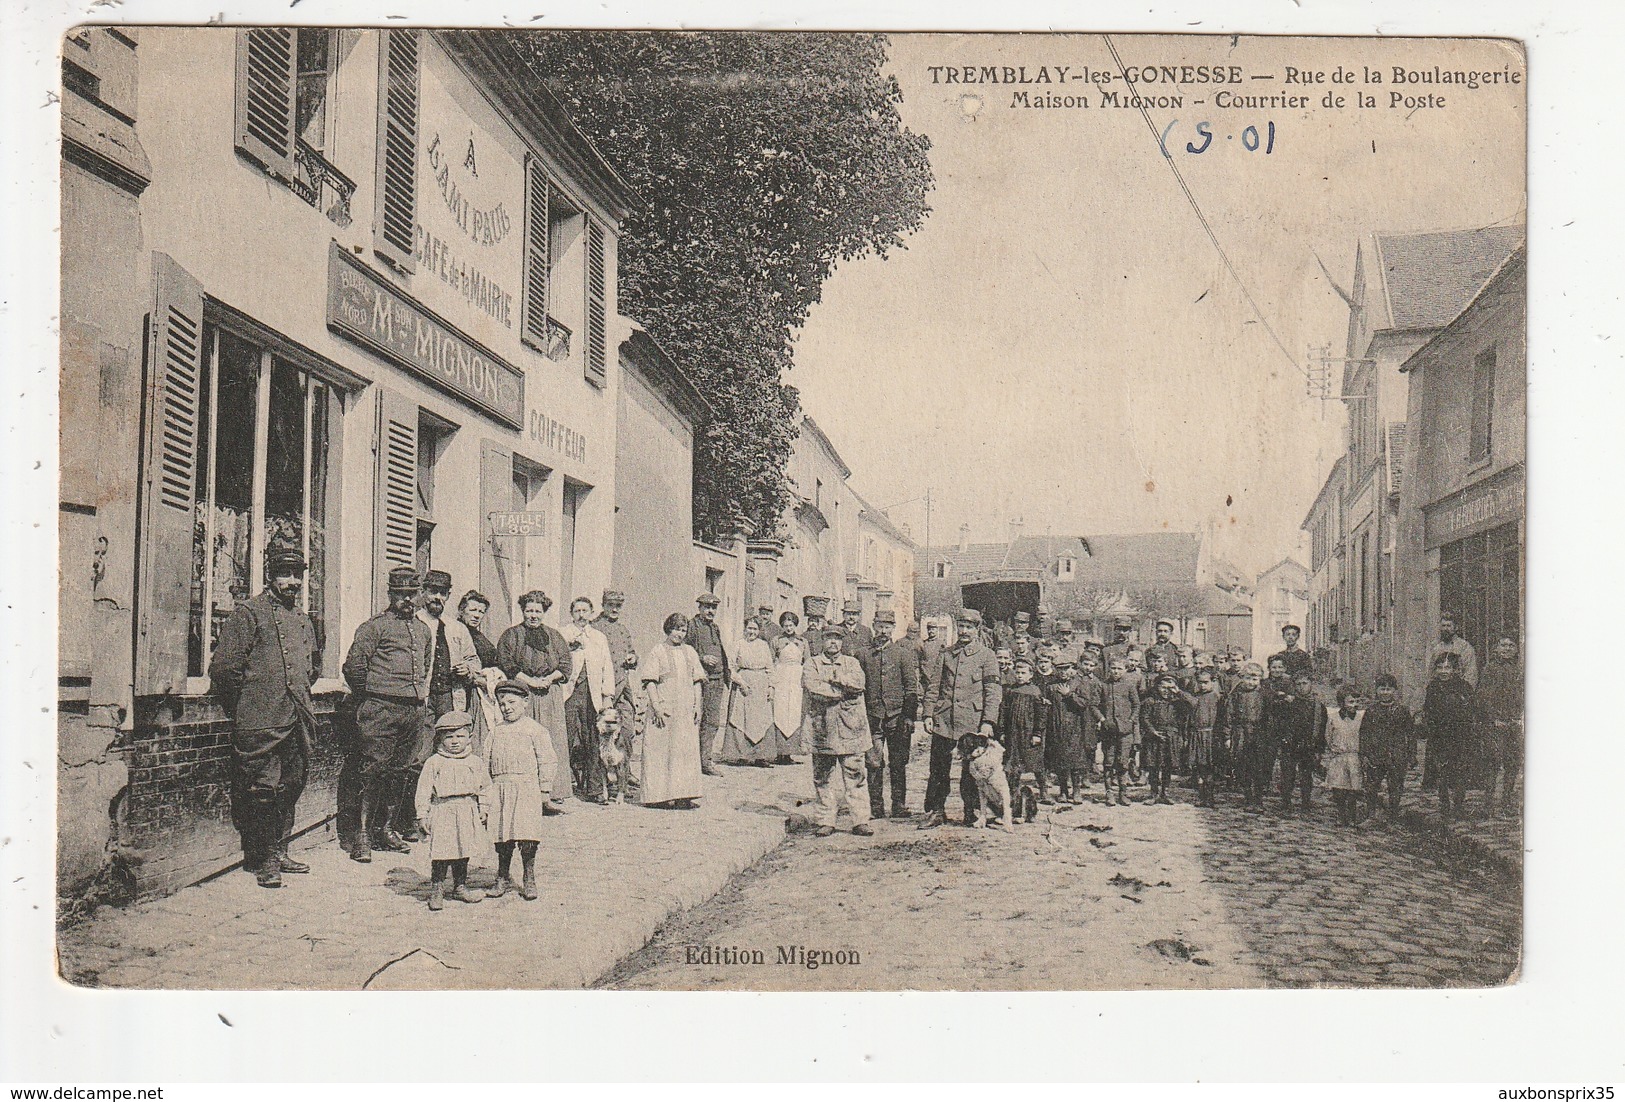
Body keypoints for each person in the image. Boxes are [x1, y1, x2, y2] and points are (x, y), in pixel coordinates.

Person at [208, 546, 320, 888]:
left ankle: (281, 849)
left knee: (292, 784)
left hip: (296, 717)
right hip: (260, 720)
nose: (292, 582)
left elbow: (311, 667)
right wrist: (247, 706)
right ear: (270, 576)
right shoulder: (249, 613)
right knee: (262, 790)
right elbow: (224, 670)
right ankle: (265, 859)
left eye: (297, 575)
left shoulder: (302, 619)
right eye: (285, 574)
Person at [341, 567, 432, 863]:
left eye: (412, 595)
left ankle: (386, 829)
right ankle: (362, 836)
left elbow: (425, 665)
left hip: (413, 710)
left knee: (401, 771)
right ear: (391, 595)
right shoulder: (374, 627)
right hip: (380, 708)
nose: (407, 600)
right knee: (372, 771)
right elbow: (353, 668)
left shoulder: (423, 630)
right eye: (401, 594)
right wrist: (373, 696)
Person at [402, 569, 486, 840]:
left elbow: (476, 663)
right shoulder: (413, 623)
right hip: (423, 701)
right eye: (432, 591)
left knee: (456, 758)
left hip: (451, 699)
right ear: (423, 593)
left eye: (443, 593)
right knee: (419, 759)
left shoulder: (457, 628)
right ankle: (412, 820)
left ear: (449, 596)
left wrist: (468, 671)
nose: (437, 597)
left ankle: (454, 818)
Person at [919, 609, 1002, 830]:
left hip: (972, 725)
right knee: (938, 769)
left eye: (969, 627)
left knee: (971, 772)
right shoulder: (946, 654)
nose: (964, 631)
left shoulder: (987, 656)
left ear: (977, 630)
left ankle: (972, 811)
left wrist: (988, 722)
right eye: (961, 626)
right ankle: (936, 811)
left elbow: (993, 692)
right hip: (944, 721)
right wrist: (928, 714)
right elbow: (934, 686)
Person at [495, 591, 573, 806]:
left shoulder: (555, 636)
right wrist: (529, 681)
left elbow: (566, 664)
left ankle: (550, 792)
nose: (533, 615)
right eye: (529, 610)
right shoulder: (511, 635)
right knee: (524, 740)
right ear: (523, 611)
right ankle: (524, 793)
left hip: (550, 695)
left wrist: (549, 678)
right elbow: (506, 663)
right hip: (523, 694)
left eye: (538, 611)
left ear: (544, 612)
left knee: (550, 741)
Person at [803, 628, 878, 837]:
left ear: (842, 642)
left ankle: (861, 820)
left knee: (855, 775)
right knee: (822, 777)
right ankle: (825, 820)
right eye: (829, 638)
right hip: (823, 728)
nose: (833, 643)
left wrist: (836, 679)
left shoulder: (851, 663)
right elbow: (813, 687)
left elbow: (859, 684)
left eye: (837, 639)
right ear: (822, 641)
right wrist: (841, 690)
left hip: (851, 727)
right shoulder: (813, 663)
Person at [485, 680, 555, 901]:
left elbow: (547, 760)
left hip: (526, 789)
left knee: (527, 835)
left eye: (511, 702)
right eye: (502, 703)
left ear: (525, 702)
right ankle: (503, 876)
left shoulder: (535, 730)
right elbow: (485, 761)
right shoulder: (495, 731)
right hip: (500, 788)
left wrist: (545, 789)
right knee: (502, 835)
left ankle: (528, 876)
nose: (506, 707)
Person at [414, 711, 490, 910]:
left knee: (463, 849)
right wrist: (422, 814)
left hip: (466, 808)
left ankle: (460, 885)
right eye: (449, 737)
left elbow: (485, 787)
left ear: (469, 738)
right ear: (440, 739)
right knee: (441, 851)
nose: (455, 741)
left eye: (460, 736)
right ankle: (437, 888)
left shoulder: (475, 762)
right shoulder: (434, 762)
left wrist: (484, 807)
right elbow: (423, 790)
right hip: (443, 809)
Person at [639, 613, 706, 809]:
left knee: (684, 751)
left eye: (683, 630)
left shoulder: (690, 652)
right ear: (668, 629)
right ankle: (657, 796)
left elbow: (697, 682)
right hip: (664, 708)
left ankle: (683, 795)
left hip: (685, 709)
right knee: (660, 750)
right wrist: (657, 706)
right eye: (676, 629)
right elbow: (650, 681)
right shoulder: (658, 651)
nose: (679, 633)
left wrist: (697, 706)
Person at [863, 609, 920, 819]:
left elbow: (911, 688)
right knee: (873, 762)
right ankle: (876, 806)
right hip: (873, 717)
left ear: (893, 628)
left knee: (898, 762)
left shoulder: (903, 653)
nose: (883, 630)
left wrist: (908, 716)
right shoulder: (864, 654)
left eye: (887, 626)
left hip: (897, 717)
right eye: (880, 626)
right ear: (873, 626)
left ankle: (899, 804)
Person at [561, 596, 616, 799]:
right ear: (572, 613)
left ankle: (593, 789)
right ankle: (561, 788)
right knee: (565, 737)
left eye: (585, 610)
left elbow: (606, 667)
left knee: (593, 739)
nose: (581, 615)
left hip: (592, 695)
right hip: (569, 693)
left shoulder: (599, 637)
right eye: (577, 611)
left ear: (592, 613)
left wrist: (607, 695)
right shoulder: (563, 634)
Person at [1420, 652, 1482, 826]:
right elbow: (1428, 710)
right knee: (1442, 772)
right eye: (1439, 667)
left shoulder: (1464, 688)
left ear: (1455, 669)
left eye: (1447, 667)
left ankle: (1458, 804)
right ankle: (1444, 804)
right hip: (1439, 737)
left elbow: (1471, 712)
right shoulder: (1433, 688)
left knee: (1460, 771)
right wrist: (1428, 726)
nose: (1443, 671)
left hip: (1460, 736)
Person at [592, 590, 643, 762]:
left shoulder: (623, 629)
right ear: (603, 605)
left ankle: (625, 770)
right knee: (602, 732)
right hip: (602, 687)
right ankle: (600, 774)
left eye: (618, 606)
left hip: (623, 686)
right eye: (611, 605)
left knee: (627, 730)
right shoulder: (594, 628)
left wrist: (633, 658)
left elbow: (632, 652)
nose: (614, 610)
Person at [1048, 654, 1103, 804]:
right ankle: (1063, 791)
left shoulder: (1079, 683)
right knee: (1061, 762)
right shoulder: (1052, 686)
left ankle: (1077, 791)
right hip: (1057, 728)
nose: (1063, 672)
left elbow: (1084, 703)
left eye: (1066, 669)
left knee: (1076, 762)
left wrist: (1069, 695)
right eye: (1060, 670)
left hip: (1075, 728)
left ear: (1072, 668)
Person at [720, 617, 775, 767]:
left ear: (759, 631)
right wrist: (741, 683)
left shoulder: (764, 645)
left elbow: (770, 668)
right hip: (743, 685)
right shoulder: (738, 644)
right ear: (745, 629)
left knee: (761, 719)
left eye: (755, 629)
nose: (752, 632)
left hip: (761, 686)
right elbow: (730, 667)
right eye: (749, 628)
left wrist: (771, 687)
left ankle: (760, 756)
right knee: (740, 717)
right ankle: (741, 755)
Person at [1478, 635, 1523, 818]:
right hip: (1496, 724)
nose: (1507, 649)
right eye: (1503, 645)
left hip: (1514, 723)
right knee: (1493, 763)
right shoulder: (1490, 669)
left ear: (1516, 649)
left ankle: (1506, 801)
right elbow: (1483, 696)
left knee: (1512, 764)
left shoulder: (1520, 670)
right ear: (1496, 648)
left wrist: (1520, 717)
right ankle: (1488, 804)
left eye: (1511, 645)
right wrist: (1492, 718)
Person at [1362, 673, 1415, 823]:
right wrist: (1364, 754)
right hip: (1376, 754)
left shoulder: (1402, 711)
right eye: (1382, 689)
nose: (1385, 693)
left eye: (1389, 689)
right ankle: (1371, 815)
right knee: (1372, 786)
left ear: (1395, 691)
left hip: (1396, 755)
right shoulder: (1371, 711)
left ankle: (1392, 816)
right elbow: (1364, 734)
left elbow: (1410, 734)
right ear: (1377, 691)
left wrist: (1411, 754)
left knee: (1395, 786)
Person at [688, 593, 731, 777]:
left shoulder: (715, 627)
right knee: (694, 720)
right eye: (707, 607)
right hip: (699, 680)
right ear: (699, 608)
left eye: (713, 608)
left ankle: (705, 761)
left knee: (712, 722)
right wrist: (702, 657)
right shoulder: (691, 626)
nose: (710, 611)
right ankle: (691, 760)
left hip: (717, 680)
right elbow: (684, 650)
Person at [1271, 671, 1324, 817]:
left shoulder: (1318, 706)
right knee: (1287, 775)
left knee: (1306, 776)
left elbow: (1321, 729)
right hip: (1290, 744)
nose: (1302, 687)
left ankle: (1305, 805)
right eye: (1298, 684)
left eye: (1305, 683)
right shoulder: (1289, 703)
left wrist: (1318, 749)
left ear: (1311, 685)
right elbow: (1279, 722)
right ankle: (1286, 804)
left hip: (1308, 746)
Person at [1218, 662, 1268, 807]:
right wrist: (1227, 736)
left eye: (1255, 679)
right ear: (1242, 678)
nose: (1251, 682)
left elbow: (1268, 716)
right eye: (1248, 678)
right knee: (1242, 764)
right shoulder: (1236, 694)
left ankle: (1258, 799)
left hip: (1258, 732)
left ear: (1260, 680)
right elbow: (1228, 716)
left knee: (1258, 766)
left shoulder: (1263, 695)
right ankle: (1247, 796)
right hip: (1240, 732)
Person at [1001, 656, 1047, 806]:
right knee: (1012, 763)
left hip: (1029, 733)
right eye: (1018, 672)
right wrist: (1001, 731)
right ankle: (1012, 792)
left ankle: (1043, 789)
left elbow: (1040, 715)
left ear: (1031, 675)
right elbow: (1004, 712)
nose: (1020, 676)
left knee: (1035, 762)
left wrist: (1037, 733)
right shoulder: (1011, 690)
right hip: (1013, 733)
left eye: (1023, 673)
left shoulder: (1035, 691)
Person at [1098, 656, 1141, 806]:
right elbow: (1094, 705)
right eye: (1113, 668)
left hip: (1125, 731)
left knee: (1123, 763)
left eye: (1119, 669)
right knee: (1108, 762)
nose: (1116, 671)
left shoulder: (1129, 685)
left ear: (1125, 670)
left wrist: (1130, 721)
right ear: (1109, 669)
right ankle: (1109, 793)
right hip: (1109, 731)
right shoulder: (1103, 685)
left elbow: (1136, 705)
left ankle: (1123, 793)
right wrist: (1103, 720)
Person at [1323, 683, 1367, 827]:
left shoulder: (1361, 717)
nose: (1354, 705)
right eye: (1350, 701)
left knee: (1353, 789)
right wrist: (1334, 749)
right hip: (1339, 757)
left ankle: (1352, 816)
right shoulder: (1333, 717)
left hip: (1354, 757)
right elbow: (1328, 736)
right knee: (1339, 788)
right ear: (1342, 702)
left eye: (1356, 702)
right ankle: (1341, 815)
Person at [768, 611, 808, 762]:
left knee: (795, 712)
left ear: (795, 625)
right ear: (782, 626)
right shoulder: (776, 640)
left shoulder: (802, 642)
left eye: (791, 625)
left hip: (797, 678)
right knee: (780, 711)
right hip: (782, 677)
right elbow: (771, 661)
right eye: (785, 625)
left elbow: (807, 662)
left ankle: (790, 752)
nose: (788, 628)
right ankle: (779, 752)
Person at [1139, 673, 1184, 805]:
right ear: (1157, 687)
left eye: (1169, 687)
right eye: (1163, 687)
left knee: (1167, 766)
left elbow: (1190, 708)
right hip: (1154, 737)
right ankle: (1153, 793)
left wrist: (1178, 693)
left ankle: (1165, 792)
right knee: (1153, 766)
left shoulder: (1176, 702)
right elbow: (1144, 718)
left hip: (1170, 737)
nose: (1166, 690)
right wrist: (1153, 731)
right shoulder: (1150, 701)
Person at [1182, 666, 1223, 807]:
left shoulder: (1216, 697)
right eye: (1200, 682)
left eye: (1206, 682)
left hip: (1210, 735)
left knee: (1209, 767)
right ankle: (1201, 797)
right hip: (1196, 734)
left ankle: (1210, 797)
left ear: (1213, 682)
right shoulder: (1197, 696)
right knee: (1199, 767)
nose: (1202, 685)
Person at [1429, 613, 1480, 689]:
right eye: (1443, 626)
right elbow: (1431, 673)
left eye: (1449, 626)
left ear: (1456, 628)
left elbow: (1471, 675)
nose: (1445, 629)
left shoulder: (1465, 647)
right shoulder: (1437, 648)